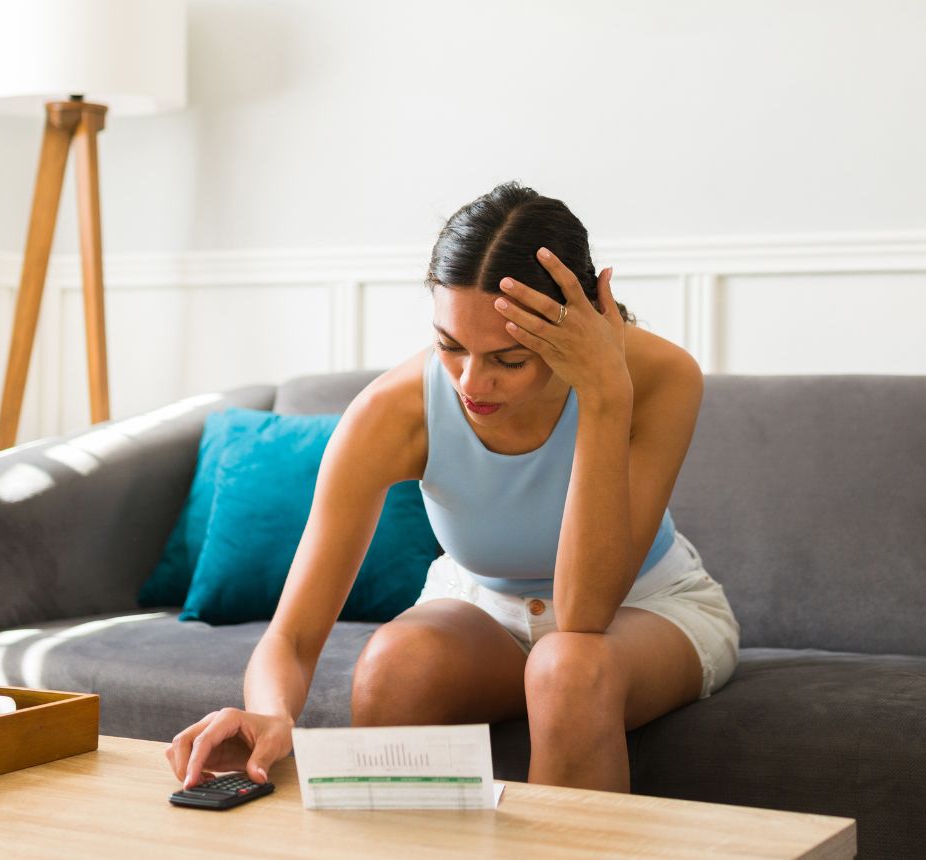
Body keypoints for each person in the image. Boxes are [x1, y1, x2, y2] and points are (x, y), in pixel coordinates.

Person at [166, 181, 741, 794]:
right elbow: (293, 633)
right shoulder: (393, 412)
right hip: (480, 609)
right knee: (394, 664)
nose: (472, 382)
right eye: (450, 346)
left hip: (646, 611)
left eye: (509, 359)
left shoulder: (659, 376)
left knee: (567, 667)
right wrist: (270, 713)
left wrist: (603, 394)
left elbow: (582, 616)